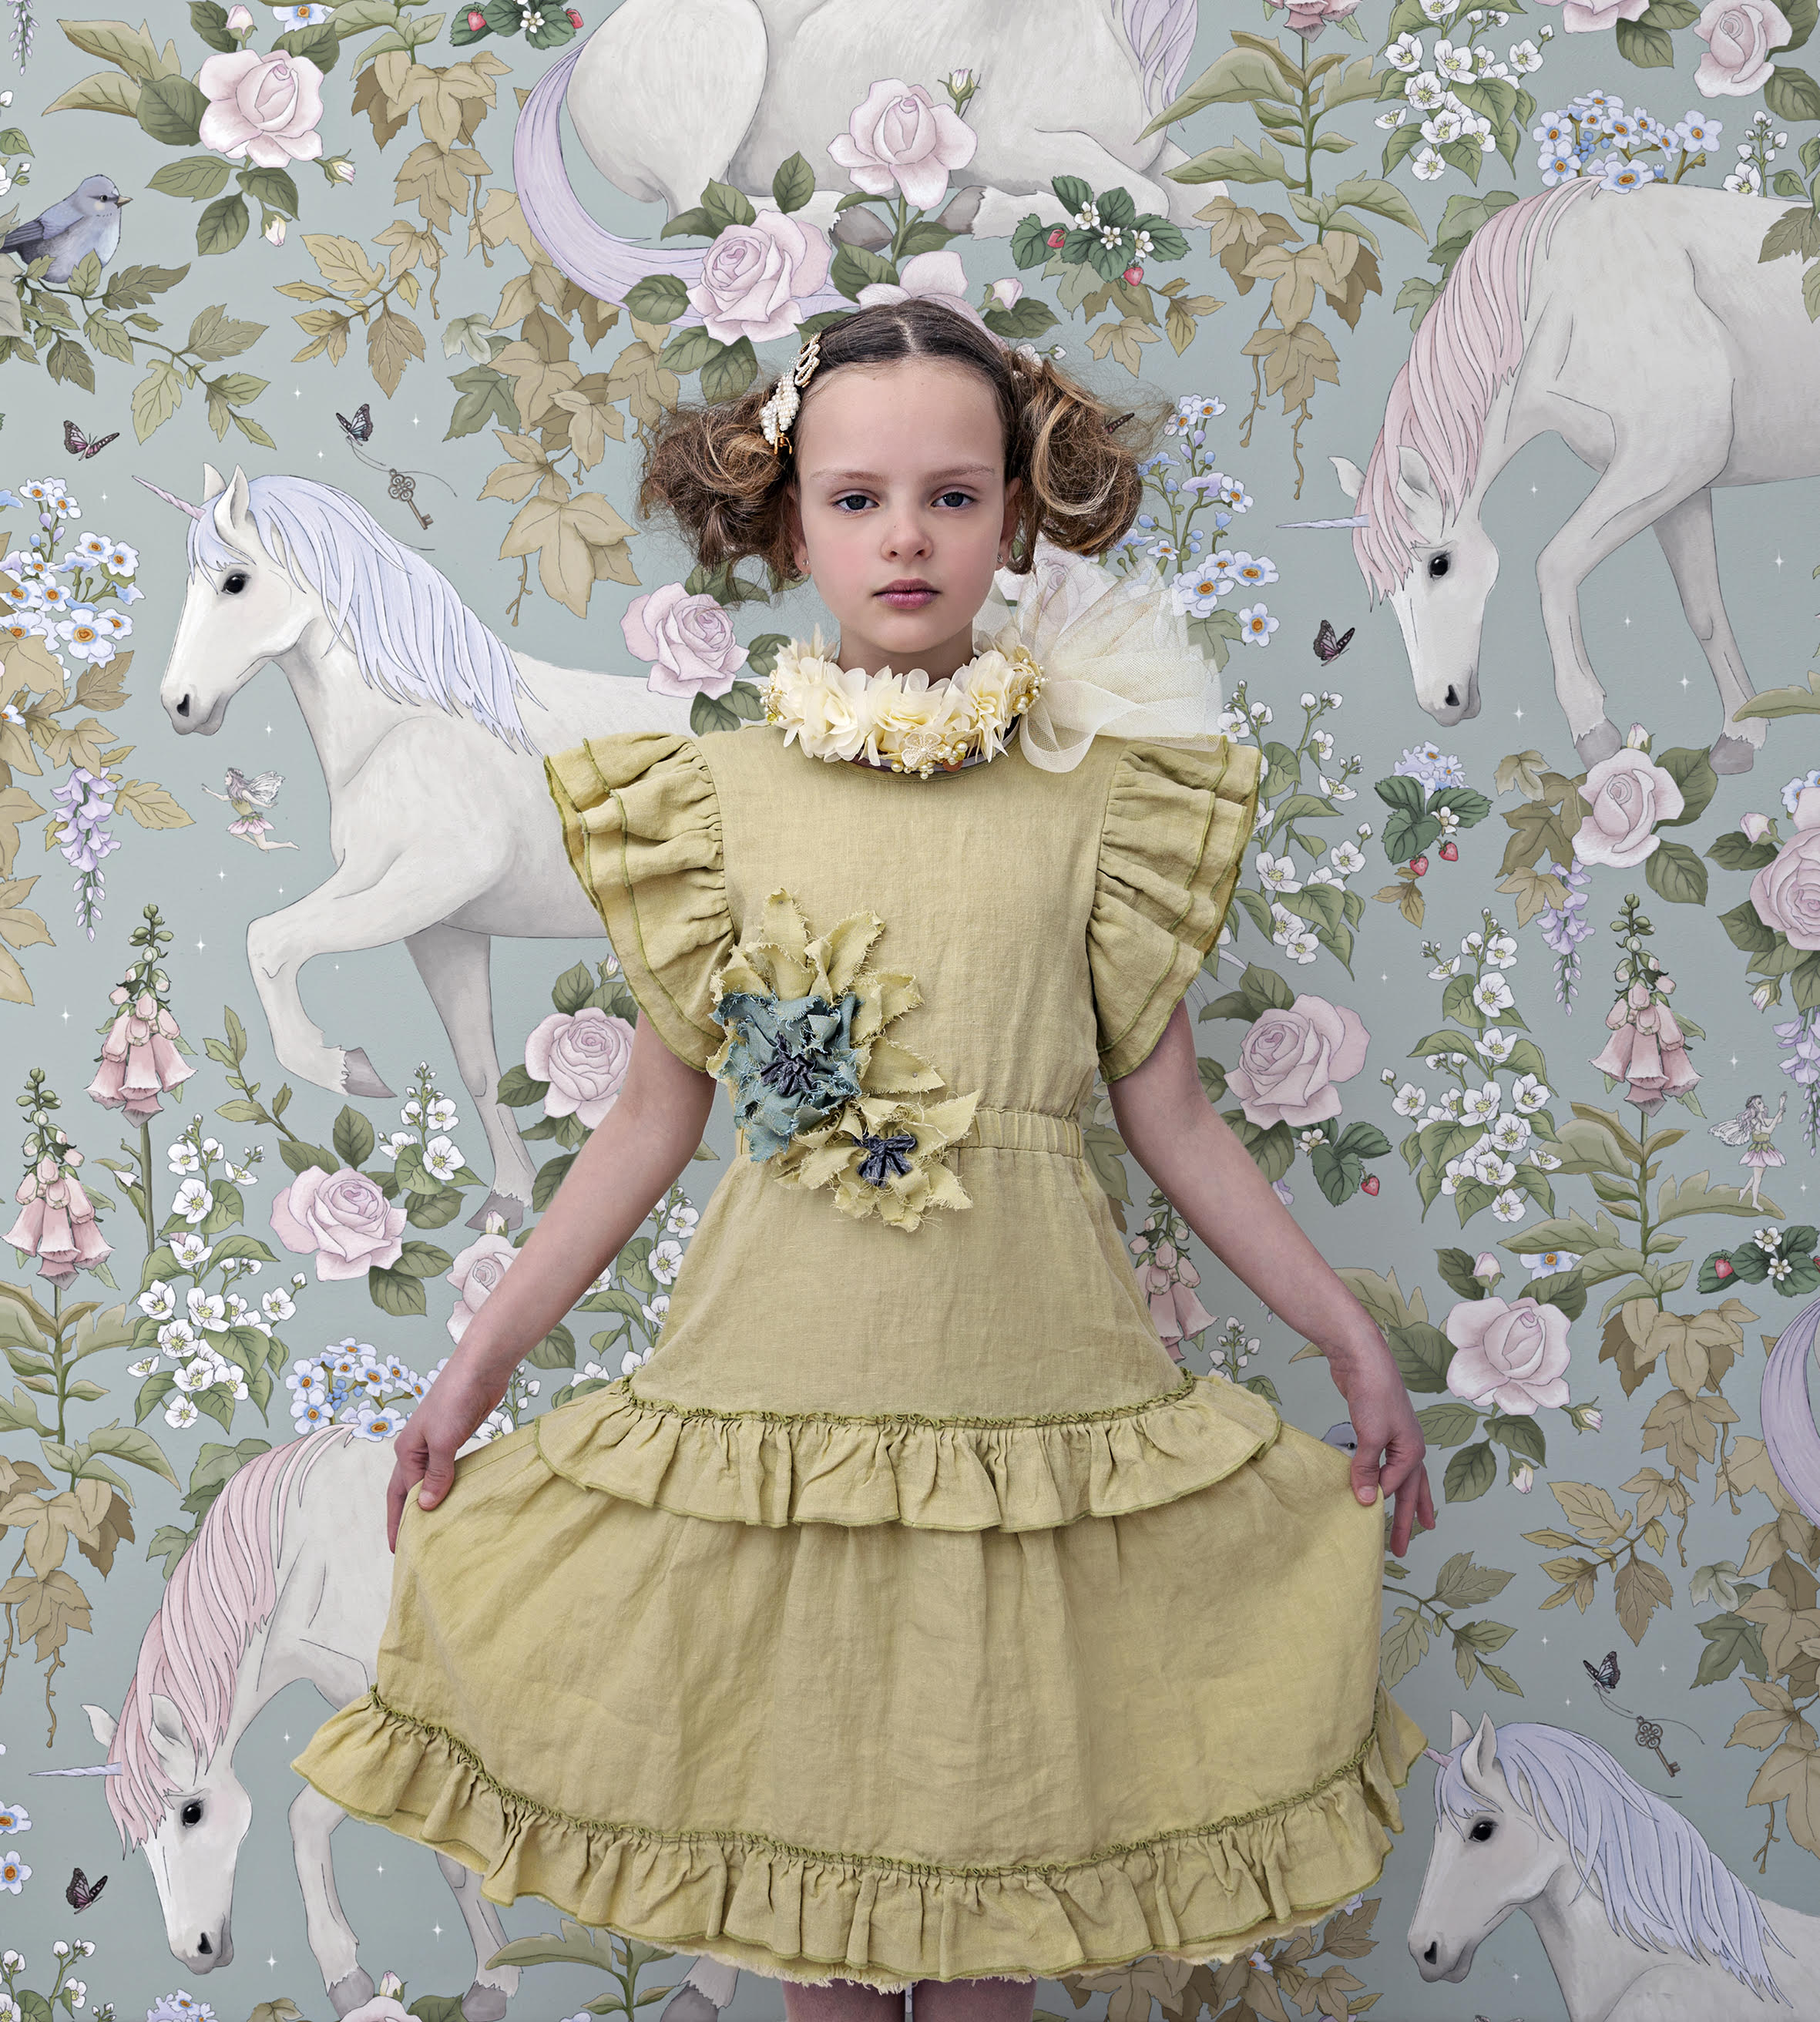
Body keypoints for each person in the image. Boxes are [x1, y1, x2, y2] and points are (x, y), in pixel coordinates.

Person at [291, 297, 1434, 2022]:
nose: (905, 535)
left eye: (951, 497)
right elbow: (648, 1127)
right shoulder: (708, 805)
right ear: (784, 521)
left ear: (1016, 514)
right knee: (814, 1944)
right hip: (784, 1418)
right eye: (855, 499)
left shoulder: (1104, 805)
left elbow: (1175, 1120)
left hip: (1025, 1412)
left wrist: (1346, 1337)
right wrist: (475, 1368)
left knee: (991, 1936)